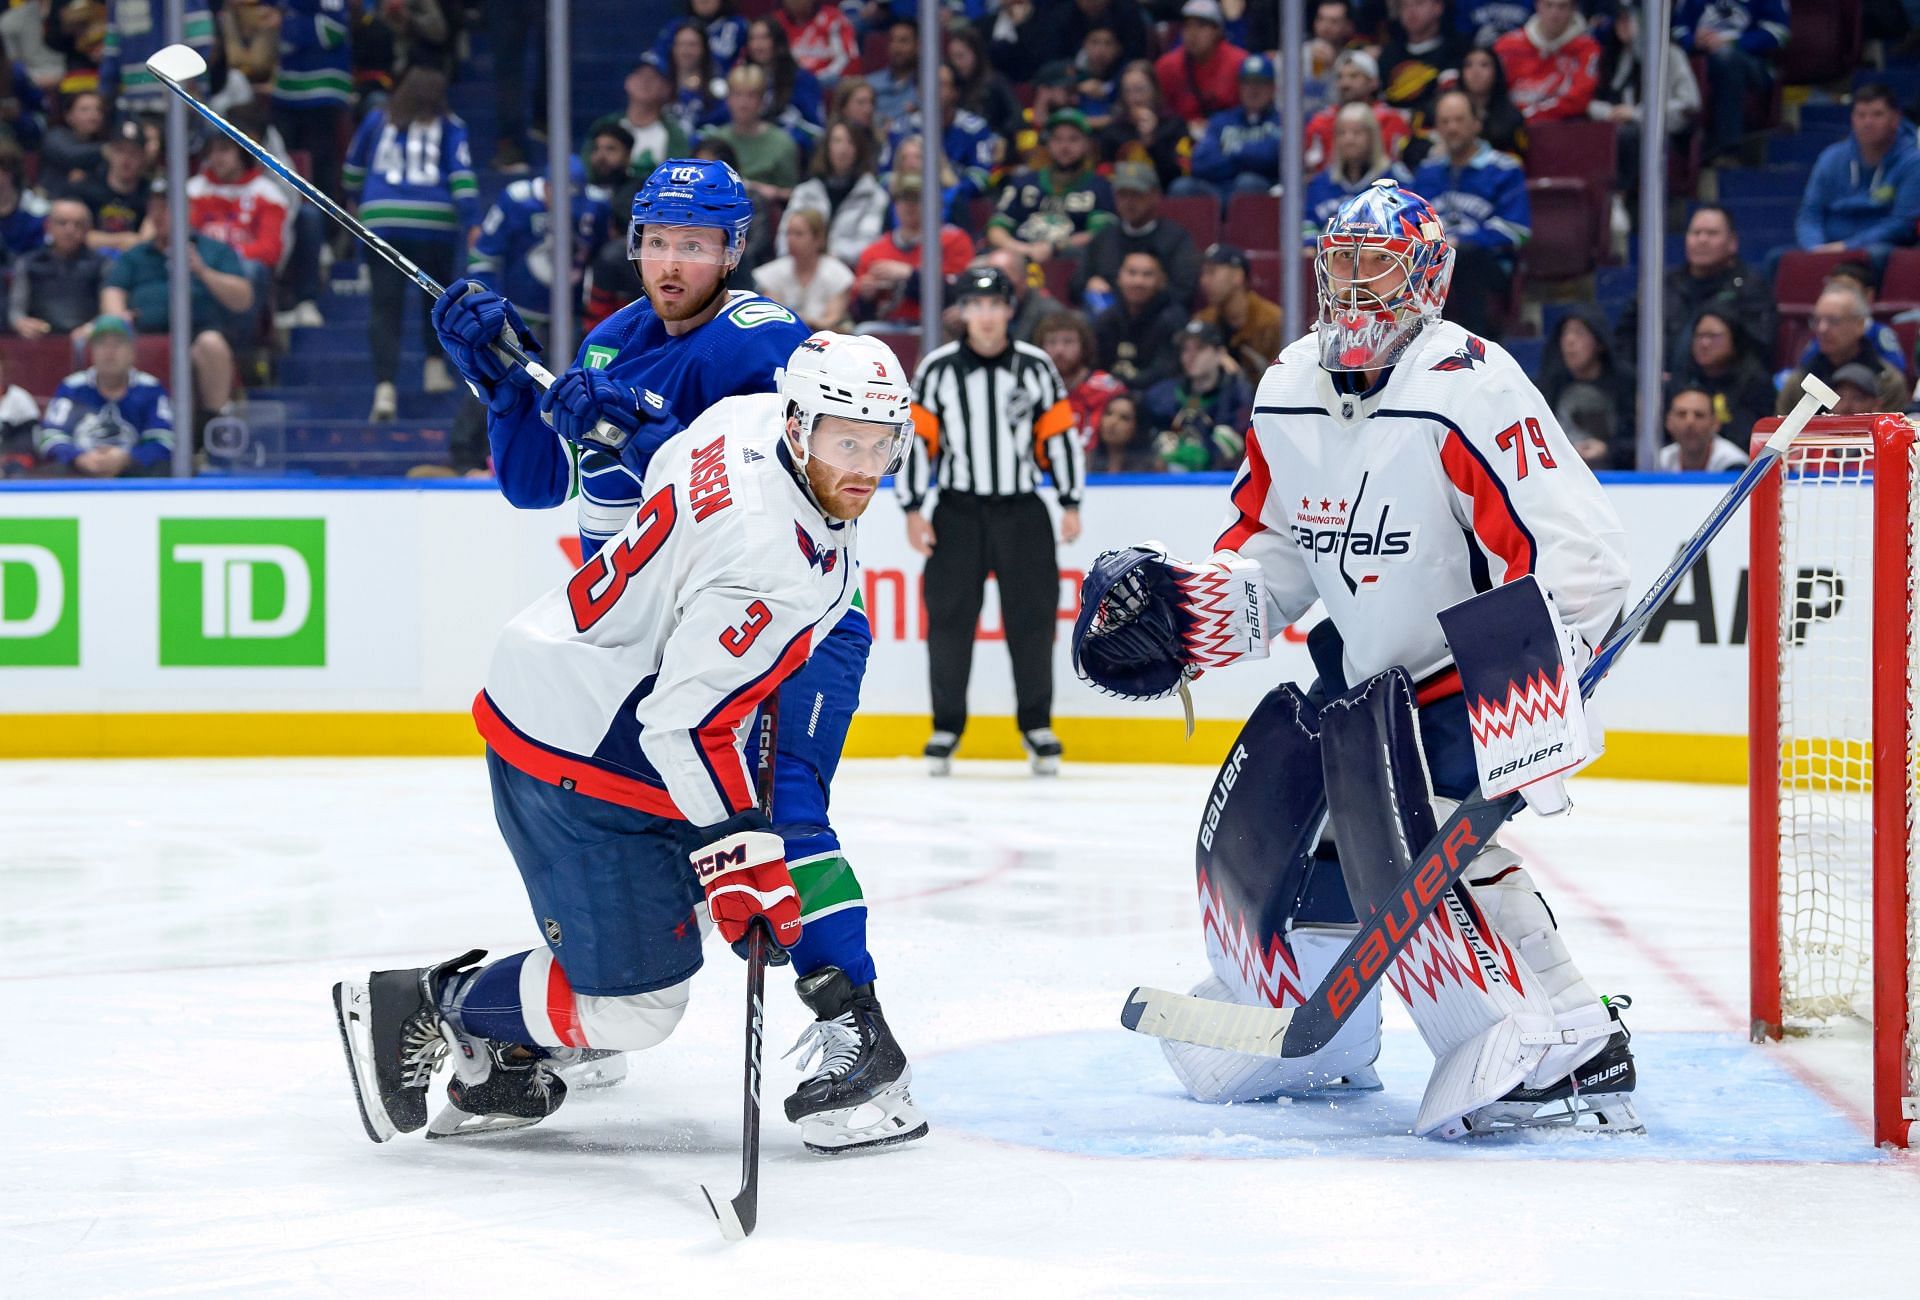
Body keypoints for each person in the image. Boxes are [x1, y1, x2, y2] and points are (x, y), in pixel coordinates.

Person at [1076, 177, 1641, 1140]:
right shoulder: (1290, 387)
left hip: (1468, 669)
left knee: (1432, 849)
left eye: (1378, 273)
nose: (1356, 294)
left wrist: (1530, 701)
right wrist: (1185, 613)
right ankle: (1329, 1034)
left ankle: (1576, 1040)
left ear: (1427, 279)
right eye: (1341, 271)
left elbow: (1579, 561)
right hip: (1365, 680)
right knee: (1312, 839)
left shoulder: (1473, 386)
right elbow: (1277, 553)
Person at [427, 162, 926, 1153]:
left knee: (774, 802)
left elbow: (778, 440)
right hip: (661, 642)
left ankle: (856, 1030)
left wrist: (638, 419)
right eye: (658, 241)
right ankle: (586, 999)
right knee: (651, 814)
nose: (673, 262)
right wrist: (500, 380)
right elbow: (533, 483)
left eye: (696, 245)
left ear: (733, 251)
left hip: (788, 628)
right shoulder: (612, 339)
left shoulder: (762, 338)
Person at [898, 265, 1086, 777]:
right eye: (974, 305)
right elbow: (918, 445)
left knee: (1032, 619)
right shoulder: (936, 370)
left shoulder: (1036, 367)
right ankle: (946, 726)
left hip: (1023, 511)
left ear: (1009, 310)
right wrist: (914, 508)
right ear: (962, 312)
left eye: (994, 304)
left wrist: (1070, 502)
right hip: (957, 510)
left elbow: (1059, 437)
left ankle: (1036, 724)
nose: (984, 316)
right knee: (949, 619)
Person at [343, 64, 477, 422]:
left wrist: (357, 201)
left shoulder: (376, 120)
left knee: (384, 306)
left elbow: (352, 169)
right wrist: (472, 220)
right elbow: (462, 177)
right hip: (435, 221)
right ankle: (434, 368)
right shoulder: (452, 125)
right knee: (437, 296)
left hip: (382, 220)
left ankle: (384, 389)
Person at [101, 180, 249, 419]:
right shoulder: (136, 255)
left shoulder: (213, 250)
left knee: (212, 344)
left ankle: (214, 426)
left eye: (166, 208)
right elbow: (113, 292)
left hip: (197, 335)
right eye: (154, 208)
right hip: (144, 336)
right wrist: (119, 317)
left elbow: (243, 299)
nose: (158, 215)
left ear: (186, 211)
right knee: (110, 341)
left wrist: (202, 271)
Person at [1408, 90, 1529, 340]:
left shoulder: (1504, 169)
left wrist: (1461, 243)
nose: (1452, 128)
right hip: (1434, 268)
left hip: (1490, 267)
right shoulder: (1426, 173)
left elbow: (1517, 231)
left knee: (1466, 257)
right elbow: (1412, 225)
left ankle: (1475, 347)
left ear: (1476, 124)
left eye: (1459, 120)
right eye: (1445, 121)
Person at [467, 155, 614, 346]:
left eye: (573, 203)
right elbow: (483, 255)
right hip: (520, 313)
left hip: (573, 314)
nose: (567, 209)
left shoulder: (597, 204)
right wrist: (490, 307)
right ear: (546, 187)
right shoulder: (517, 200)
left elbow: (602, 257)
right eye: (562, 201)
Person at [1615, 203, 1775, 377]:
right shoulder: (1661, 286)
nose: (1702, 240)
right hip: (1658, 386)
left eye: (1712, 233)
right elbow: (1625, 340)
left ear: (1732, 242)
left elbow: (1758, 350)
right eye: (1695, 233)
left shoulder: (1750, 289)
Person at [1794, 84, 1920, 263]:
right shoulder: (1831, 157)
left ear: (1895, 119)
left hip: (1880, 249)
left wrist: (1847, 247)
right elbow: (1810, 212)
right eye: (1861, 115)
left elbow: (1902, 224)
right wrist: (1814, 248)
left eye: (1877, 114)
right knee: (1778, 259)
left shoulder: (1913, 162)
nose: (1868, 122)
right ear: (1852, 119)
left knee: (1877, 256)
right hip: (1828, 246)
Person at [185, 132, 292, 341]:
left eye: (224, 150)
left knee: (250, 269)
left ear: (242, 153)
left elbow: (270, 251)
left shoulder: (267, 193)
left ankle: (236, 341)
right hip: (199, 265)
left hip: (239, 268)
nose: (217, 158)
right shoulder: (193, 191)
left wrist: (224, 257)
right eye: (212, 151)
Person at [35, 313, 172, 476]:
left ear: (132, 352)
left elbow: (164, 438)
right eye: (101, 344)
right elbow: (50, 435)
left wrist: (128, 458)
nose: (109, 352)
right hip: (80, 475)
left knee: (166, 469)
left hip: (133, 477)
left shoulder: (149, 388)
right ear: (92, 352)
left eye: (118, 344)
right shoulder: (72, 387)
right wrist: (79, 458)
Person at [986, 108, 1116, 269]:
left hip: (1071, 265)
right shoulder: (1024, 182)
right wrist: (1026, 250)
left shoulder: (1100, 187)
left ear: (1087, 144)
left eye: (1073, 139)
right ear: (1048, 143)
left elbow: (1099, 235)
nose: (1064, 146)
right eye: (1057, 139)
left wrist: (1055, 247)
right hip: (1019, 258)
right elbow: (996, 229)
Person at [852, 170, 974, 327]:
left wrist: (909, 275)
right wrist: (866, 297)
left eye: (917, 199)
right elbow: (860, 314)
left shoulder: (954, 241)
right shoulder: (874, 251)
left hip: (938, 328)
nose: (909, 206)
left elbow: (958, 292)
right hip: (887, 328)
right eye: (903, 199)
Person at [1076, 161, 1200, 312]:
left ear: (1155, 195)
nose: (1129, 202)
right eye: (1123, 195)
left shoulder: (1176, 239)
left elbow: (1184, 292)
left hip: (1158, 319)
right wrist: (1089, 283)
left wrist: (1147, 293)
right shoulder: (1103, 239)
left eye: (1136, 194)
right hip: (1108, 320)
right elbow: (1075, 285)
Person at [1673, 0, 1787, 162]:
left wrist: (1732, 42)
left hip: (1751, 63)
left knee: (1726, 57)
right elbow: (1677, 29)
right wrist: (1693, 40)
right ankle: (1682, 150)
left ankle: (1729, 148)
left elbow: (1780, 34)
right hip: (1702, 58)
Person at [1778, 282, 1908, 415]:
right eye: (1817, 320)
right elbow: (1778, 433)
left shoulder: (1887, 382)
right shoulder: (1798, 382)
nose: (1822, 329)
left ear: (1860, 325)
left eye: (1833, 321)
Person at [884, 63, 999, 210]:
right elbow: (884, 176)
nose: (934, 90)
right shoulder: (900, 129)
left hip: (954, 208)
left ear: (955, 92)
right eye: (928, 83)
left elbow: (981, 177)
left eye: (942, 85)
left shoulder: (974, 130)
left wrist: (947, 193)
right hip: (906, 206)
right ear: (918, 91)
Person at [1141, 319, 1251, 471]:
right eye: (1185, 349)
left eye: (1200, 348)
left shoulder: (1239, 397)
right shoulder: (1162, 395)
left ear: (1220, 353)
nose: (1190, 356)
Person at [781, 117, 887, 265]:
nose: (843, 148)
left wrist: (827, 256)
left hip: (848, 272)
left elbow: (868, 244)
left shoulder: (874, 195)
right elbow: (784, 238)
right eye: (837, 141)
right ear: (827, 147)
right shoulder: (805, 191)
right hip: (800, 268)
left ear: (859, 149)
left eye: (850, 142)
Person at [1539, 305, 1635, 468]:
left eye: (1579, 333)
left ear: (1600, 342)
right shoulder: (1548, 386)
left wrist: (1608, 450)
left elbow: (1641, 441)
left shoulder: (1627, 384)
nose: (1570, 341)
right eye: (1566, 333)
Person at [1182, 53, 1282, 204]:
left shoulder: (1281, 122)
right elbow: (1200, 162)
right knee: (1183, 187)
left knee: (1247, 182)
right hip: (1217, 190)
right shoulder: (1221, 121)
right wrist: (1246, 159)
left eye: (1260, 83)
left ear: (1273, 88)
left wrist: (1231, 150)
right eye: (1247, 83)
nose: (1253, 90)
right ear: (1239, 87)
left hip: (1261, 192)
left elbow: (1270, 157)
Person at [1674, 306, 1776, 450]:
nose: (1704, 343)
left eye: (1713, 336)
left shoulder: (1755, 382)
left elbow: (1750, 437)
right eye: (1699, 336)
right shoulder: (1683, 378)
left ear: (1734, 338)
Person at [704, 63, 801, 205]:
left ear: (762, 100)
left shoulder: (783, 144)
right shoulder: (716, 141)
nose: (743, 103)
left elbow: (794, 194)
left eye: (751, 95)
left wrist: (766, 191)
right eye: (737, 94)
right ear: (728, 99)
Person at [1036, 307, 1127, 455]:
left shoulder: (1107, 389)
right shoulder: (1032, 390)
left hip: (1098, 473)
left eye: (1068, 342)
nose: (1059, 350)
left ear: (1083, 346)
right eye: (1051, 342)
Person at [10, 197, 105, 339]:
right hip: (38, 341)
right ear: (48, 226)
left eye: (78, 224)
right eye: (62, 223)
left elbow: (107, 311)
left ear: (87, 229)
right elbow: (16, 311)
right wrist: (21, 323)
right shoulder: (28, 262)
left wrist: (95, 327)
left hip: (88, 342)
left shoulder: (102, 264)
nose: (69, 230)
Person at [1304, 102, 1399, 242]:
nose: (1349, 140)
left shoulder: (1394, 181)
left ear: (1373, 137)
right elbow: (1307, 224)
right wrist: (1311, 246)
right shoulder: (1321, 182)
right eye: (1342, 133)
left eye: (1357, 133)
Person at [1303, 50, 1412, 173]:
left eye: (1354, 76)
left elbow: (1398, 167)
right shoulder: (1321, 121)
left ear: (1373, 82)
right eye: (1340, 77)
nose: (1345, 83)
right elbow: (1312, 169)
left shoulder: (1392, 119)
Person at [1494, 0, 1601, 124]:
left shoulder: (1587, 48)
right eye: (1548, 5)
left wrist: (1529, 114)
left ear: (1573, 9)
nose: (1554, 13)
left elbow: (1580, 97)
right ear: (1537, 6)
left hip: (1562, 127)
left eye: (1562, 7)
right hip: (1509, 128)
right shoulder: (1507, 45)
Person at [1093, 249, 1187, 389]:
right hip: (1111, 394)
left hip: (1153, 396)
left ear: (1161, 280)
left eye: (1147, 275)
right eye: (1132, 273)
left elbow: (1165, 372)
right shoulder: (1107, 319)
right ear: (1119, 278)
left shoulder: (1172, 319)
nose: (1138, 281)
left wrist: (1120, 385)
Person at [1096, 59, 1193, 193]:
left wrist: (1151, 142)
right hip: (1124, 196)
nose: (1135, 98)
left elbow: (1179, 173)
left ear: (1155, 90)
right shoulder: (1113, 131)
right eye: (1128, 91)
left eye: (1140, 90)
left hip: (1165, 193)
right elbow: (1104, 173)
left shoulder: (1174, 125)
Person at [1193, 242, 1284, 383]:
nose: (1204, 281)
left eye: (1211, 272)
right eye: (1202, 273)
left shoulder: (1272, 321)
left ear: (1237, 276)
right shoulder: (1203, 320)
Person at [1378, 0, 1471, 133]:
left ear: (1438, 7)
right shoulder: (1389, 54)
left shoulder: (1458, 51)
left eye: (1419, 3)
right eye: (1405, 6)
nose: (1411, 11)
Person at [754, 207, 853, 331]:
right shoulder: (773, 272)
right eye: (788, 233)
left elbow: (833, 319)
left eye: (798, 234)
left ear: (819, 239)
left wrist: (804, 321)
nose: (790, 240)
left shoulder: (838, 274)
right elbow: (772, 314)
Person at [593, 53, 691, 177]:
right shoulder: (605, 126)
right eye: (639, 75)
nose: (645, 81)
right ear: (627, 82)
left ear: (667, 88)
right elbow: (589, 172)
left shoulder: (675, 134)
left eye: (653, 77)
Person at [1154, 0, 1246, 130]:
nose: (1193, 33)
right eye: (1187, 26)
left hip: (1229, 134)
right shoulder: (1167, 66)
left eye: (1201, 26)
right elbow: (1160, 111)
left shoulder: (1238, 62)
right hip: (1182, 136)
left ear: (1217, 30)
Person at [76, 117, 148, 253]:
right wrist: (125, 239)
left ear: (143, 156)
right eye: (120, 151)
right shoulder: (86, 188)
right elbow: (82, 236)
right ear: (109, 153)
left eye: (133, 152)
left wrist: (102, 239)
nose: (126, 159)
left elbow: (147, 241)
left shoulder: (149, 192)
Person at [1656, 384, 1748, 470]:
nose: (1690, 422)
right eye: (1681, 414)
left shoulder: (1735, 465)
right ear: (1668, 422)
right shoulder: (1659, 463)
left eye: (1699, 415)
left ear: (1715, 423)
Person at [1457, 45, 1527, 158]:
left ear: (1496, 72)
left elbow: (1518, 158)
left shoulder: (1512, 117)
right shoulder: (1448, 111)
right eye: (1468, 65)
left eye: (1484, 65)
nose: (1476, 72)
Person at [774, 0, 856, 86]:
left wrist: (814, 79)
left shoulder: (834, 19)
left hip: (825, 83)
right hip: (786, 84)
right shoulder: (776, 22)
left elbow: (846, 59)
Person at [41, 87, 106, 193]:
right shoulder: (55, 135)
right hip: (52, 198)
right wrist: (105, 149)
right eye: (85, 110)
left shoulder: (101, 141)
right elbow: (69, 154)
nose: (94, 116)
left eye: (99, 110)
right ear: (68, 116)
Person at [864, 16, 917, 124]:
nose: (896, 47)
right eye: (892, 40)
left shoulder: (928, 87)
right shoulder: (870, 84)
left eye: (903, 41)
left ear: (918, 45)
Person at [1086, 390, 1156, 470]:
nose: (1112, 422)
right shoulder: (1085, 461)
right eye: (1109, 413)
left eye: (1124, 418)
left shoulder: (1152, 466)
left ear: (1137, 427)